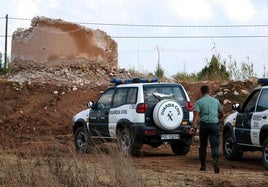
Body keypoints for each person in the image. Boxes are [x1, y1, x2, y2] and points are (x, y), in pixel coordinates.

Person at [191, 85, 224, 173]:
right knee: (215, 145)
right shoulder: (216, 101)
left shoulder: (199, 102)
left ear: (201, 92)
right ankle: (215, 159)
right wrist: (218, 117)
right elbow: (221, 113)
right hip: (214, 125)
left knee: (203, 146)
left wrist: (193, 125)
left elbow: (196, 114)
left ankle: (203, 166)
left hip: (204, 125)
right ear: (209, 91)